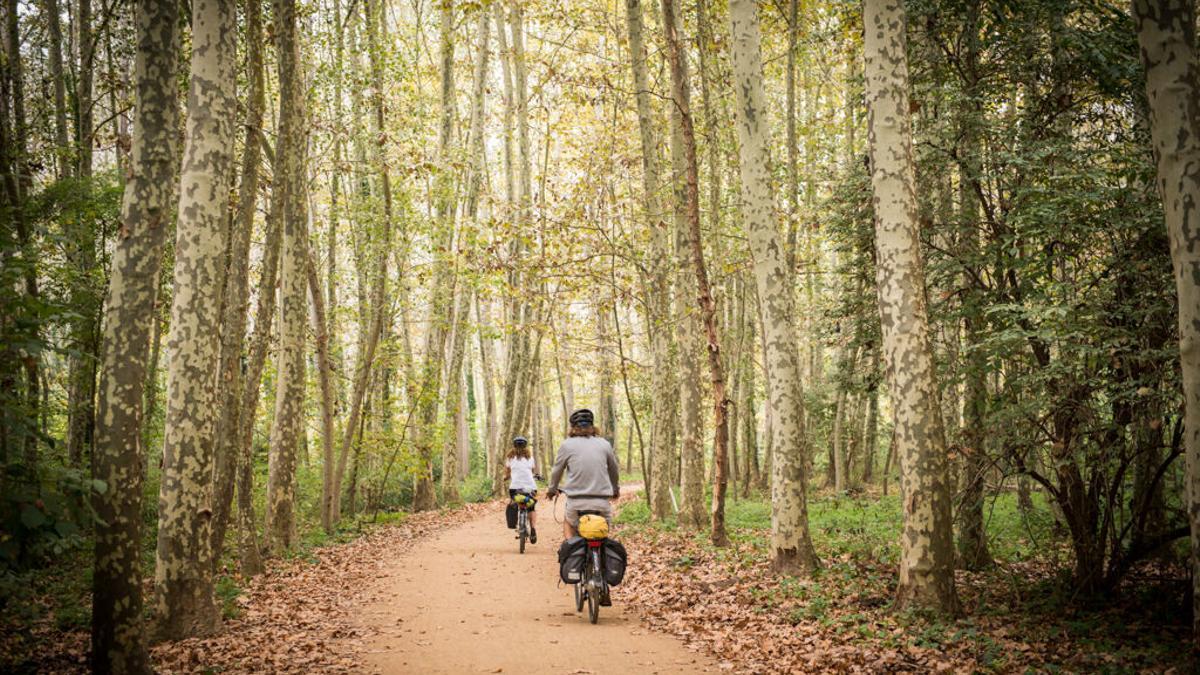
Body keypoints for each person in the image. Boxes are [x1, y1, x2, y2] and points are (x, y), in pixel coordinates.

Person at [546, 408, 620, 541]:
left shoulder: (567, 445)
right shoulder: (605, 444)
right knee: (601, 531)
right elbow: (614, 470)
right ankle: (602, 557)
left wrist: (552, 490)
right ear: (592, 426)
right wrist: (615, 489)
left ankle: (570, 552)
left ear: (573, 427)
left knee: (568, 522)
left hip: (576, 503)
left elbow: (557, 471)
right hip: (601, 504)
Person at [505, 436, 539, 544]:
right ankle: (533, 528)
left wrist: (506, 477)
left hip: (515, 488)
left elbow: (507, 472)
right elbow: (532, 471)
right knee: (531, 507)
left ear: (514, 446)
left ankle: (515, 522)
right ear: (525, 446)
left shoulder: (510, 458)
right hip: (530, 487)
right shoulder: (530, 458)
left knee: (514, 502)